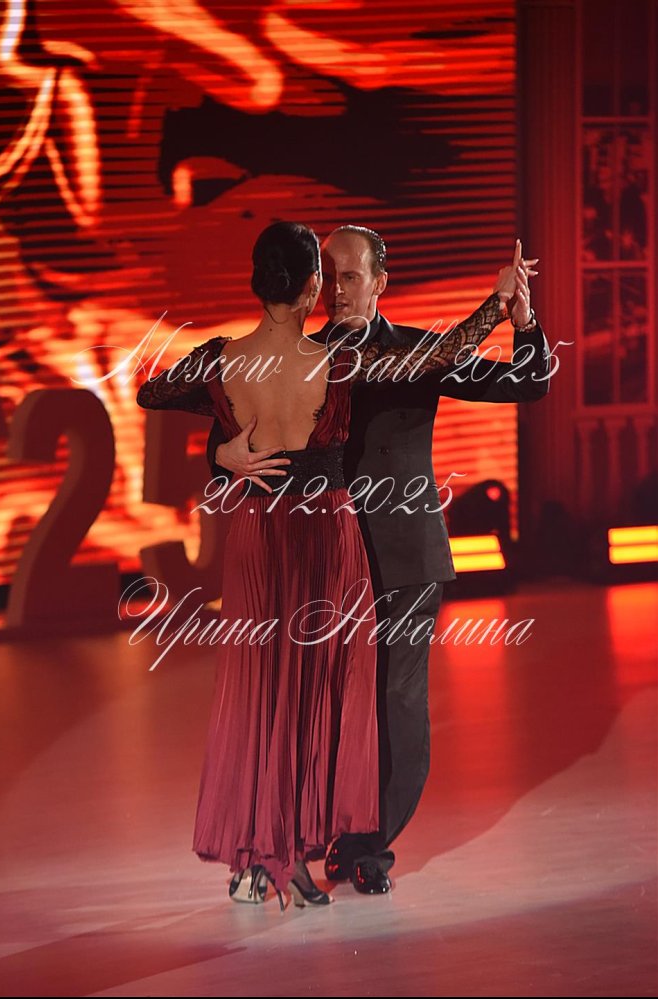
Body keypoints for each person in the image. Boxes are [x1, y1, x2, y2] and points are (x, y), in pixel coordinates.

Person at [136, 221, 517, 910]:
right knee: (315, 699)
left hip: (260, 539)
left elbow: (152, 393)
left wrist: (223, 451)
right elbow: (441, 355)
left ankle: (261, 858)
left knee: (263, 696)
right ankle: (293, 853)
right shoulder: (337, 364)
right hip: (327, 542)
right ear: (313, 285)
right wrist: (498, 305)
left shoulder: (223, 359)